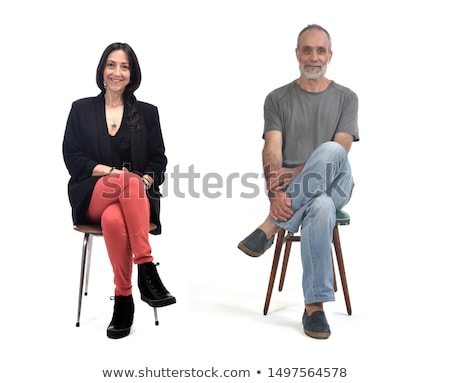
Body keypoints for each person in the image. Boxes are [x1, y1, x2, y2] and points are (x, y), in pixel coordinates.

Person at [238, 24, 359, 339]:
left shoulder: (347, 97)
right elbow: (272, 151)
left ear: (330, 56)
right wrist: (276, 190)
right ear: (297, 54)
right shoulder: (277, 98)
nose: (314, 57)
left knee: (331, 149)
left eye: (321, 50)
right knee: (319, 205)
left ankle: (269, 227)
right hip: (300, 193)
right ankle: (314, 308)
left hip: (337, 181)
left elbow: (342, 148)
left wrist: (296, 175)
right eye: (307, 50)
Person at [63, 42, 176, 339]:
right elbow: (72, 158)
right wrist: (115, 174)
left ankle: (123, 300)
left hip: (134, 202)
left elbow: (158, 161)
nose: (117, 72)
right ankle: (147, 270)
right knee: (124, 181)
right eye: (111, 65)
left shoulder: (148, 113)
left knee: (115, 219)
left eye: (124, 66)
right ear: (102, 70)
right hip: (91, 195)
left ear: (132, 73)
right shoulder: (81, 109)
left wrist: (143, 183)